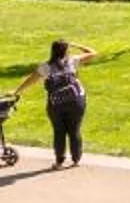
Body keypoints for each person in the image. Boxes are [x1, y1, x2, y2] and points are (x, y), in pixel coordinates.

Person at [12, 38, 96, 167]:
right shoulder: (73, 61)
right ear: (66, 50)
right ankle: (76, 160)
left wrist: (17, 91)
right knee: (75, 130)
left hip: (56, 104)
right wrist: (76, 45)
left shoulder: (45, 67)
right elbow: (93, 52)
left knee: (59, 132)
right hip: (76, 101)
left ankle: (59, 161)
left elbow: (31, 80)